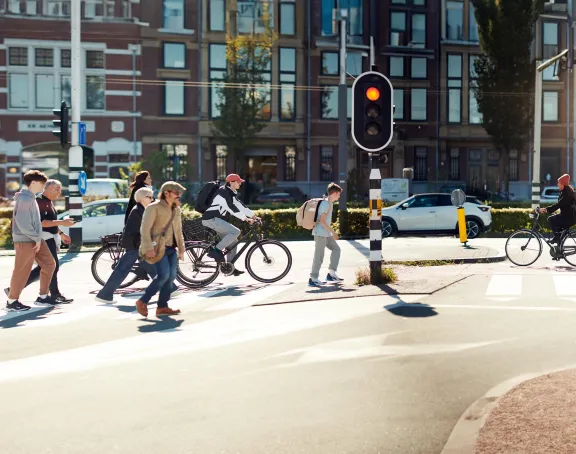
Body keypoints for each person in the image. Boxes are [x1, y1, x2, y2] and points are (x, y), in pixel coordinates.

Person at [5, 180, 75, 304]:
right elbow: (41, 223)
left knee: (47, 266)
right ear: (47, 188)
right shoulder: (39, 201)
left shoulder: (48, 202)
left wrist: (61, 233)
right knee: (51, 266)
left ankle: (18, 291)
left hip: (47, 237)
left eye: (60, 188)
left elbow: (50, 222)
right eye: (57, 188)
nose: (60, 191)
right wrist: (62, 223)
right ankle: (52, 294)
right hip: (42, 238)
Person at [5, 170, 57, 311]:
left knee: (49, 264)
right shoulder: (24, 199)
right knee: (22, 270)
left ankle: (43, 297)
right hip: (25, 240)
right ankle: (12, 301)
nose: (43, 187)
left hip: (35, 239)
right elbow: (22, 222)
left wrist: (37, 238)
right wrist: (36, 238)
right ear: (33, 183)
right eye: (42, 184)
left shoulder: (32, 198)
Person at [135, 182, 186, 317]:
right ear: (167, 193)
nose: (179, 195)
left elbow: (178, 230)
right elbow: (144, 229)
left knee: (171, 277)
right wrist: (148, 248)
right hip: (158, 248)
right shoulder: (153, 208)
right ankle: (142, 301)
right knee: (164, 275)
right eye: (176, 193)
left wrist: (181, 248)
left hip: (171, 249)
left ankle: (162, 306)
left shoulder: (176, 209)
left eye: (180, 193)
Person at [201, 174, 260, 275]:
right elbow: (231, 208)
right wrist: (246, 219)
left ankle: (229, 268)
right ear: (231, 182)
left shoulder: (230, 193)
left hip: (217, 220)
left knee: (233, 241)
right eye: (238, 181)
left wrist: (254, 216)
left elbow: (240, 206)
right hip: (211, 219)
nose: (240, 183)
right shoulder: (222, 193)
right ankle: (216, 250)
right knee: (235, 232)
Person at [309, 183, 344, 287]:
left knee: (336, 249)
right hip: (320, 233)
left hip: (325, 233)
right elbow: (322, 221)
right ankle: (313, 278)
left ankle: (331, 274)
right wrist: (333, 232)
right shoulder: (325, 204)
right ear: (334, 193)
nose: (339, 196)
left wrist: (330, 232)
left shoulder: (330, 203)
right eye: (338, 194)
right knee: (319, 256)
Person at [540, 173, 576, 244]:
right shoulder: (564, 191)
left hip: (569, 218)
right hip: (568, 216)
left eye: (558, 183)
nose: (557, 184)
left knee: (550, 219)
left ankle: (557, 238)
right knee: (559, 232)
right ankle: (559, 248)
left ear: (562, 184)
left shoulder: (567, 193)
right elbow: (561, 205)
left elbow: (559, 204)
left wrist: (546, 209)